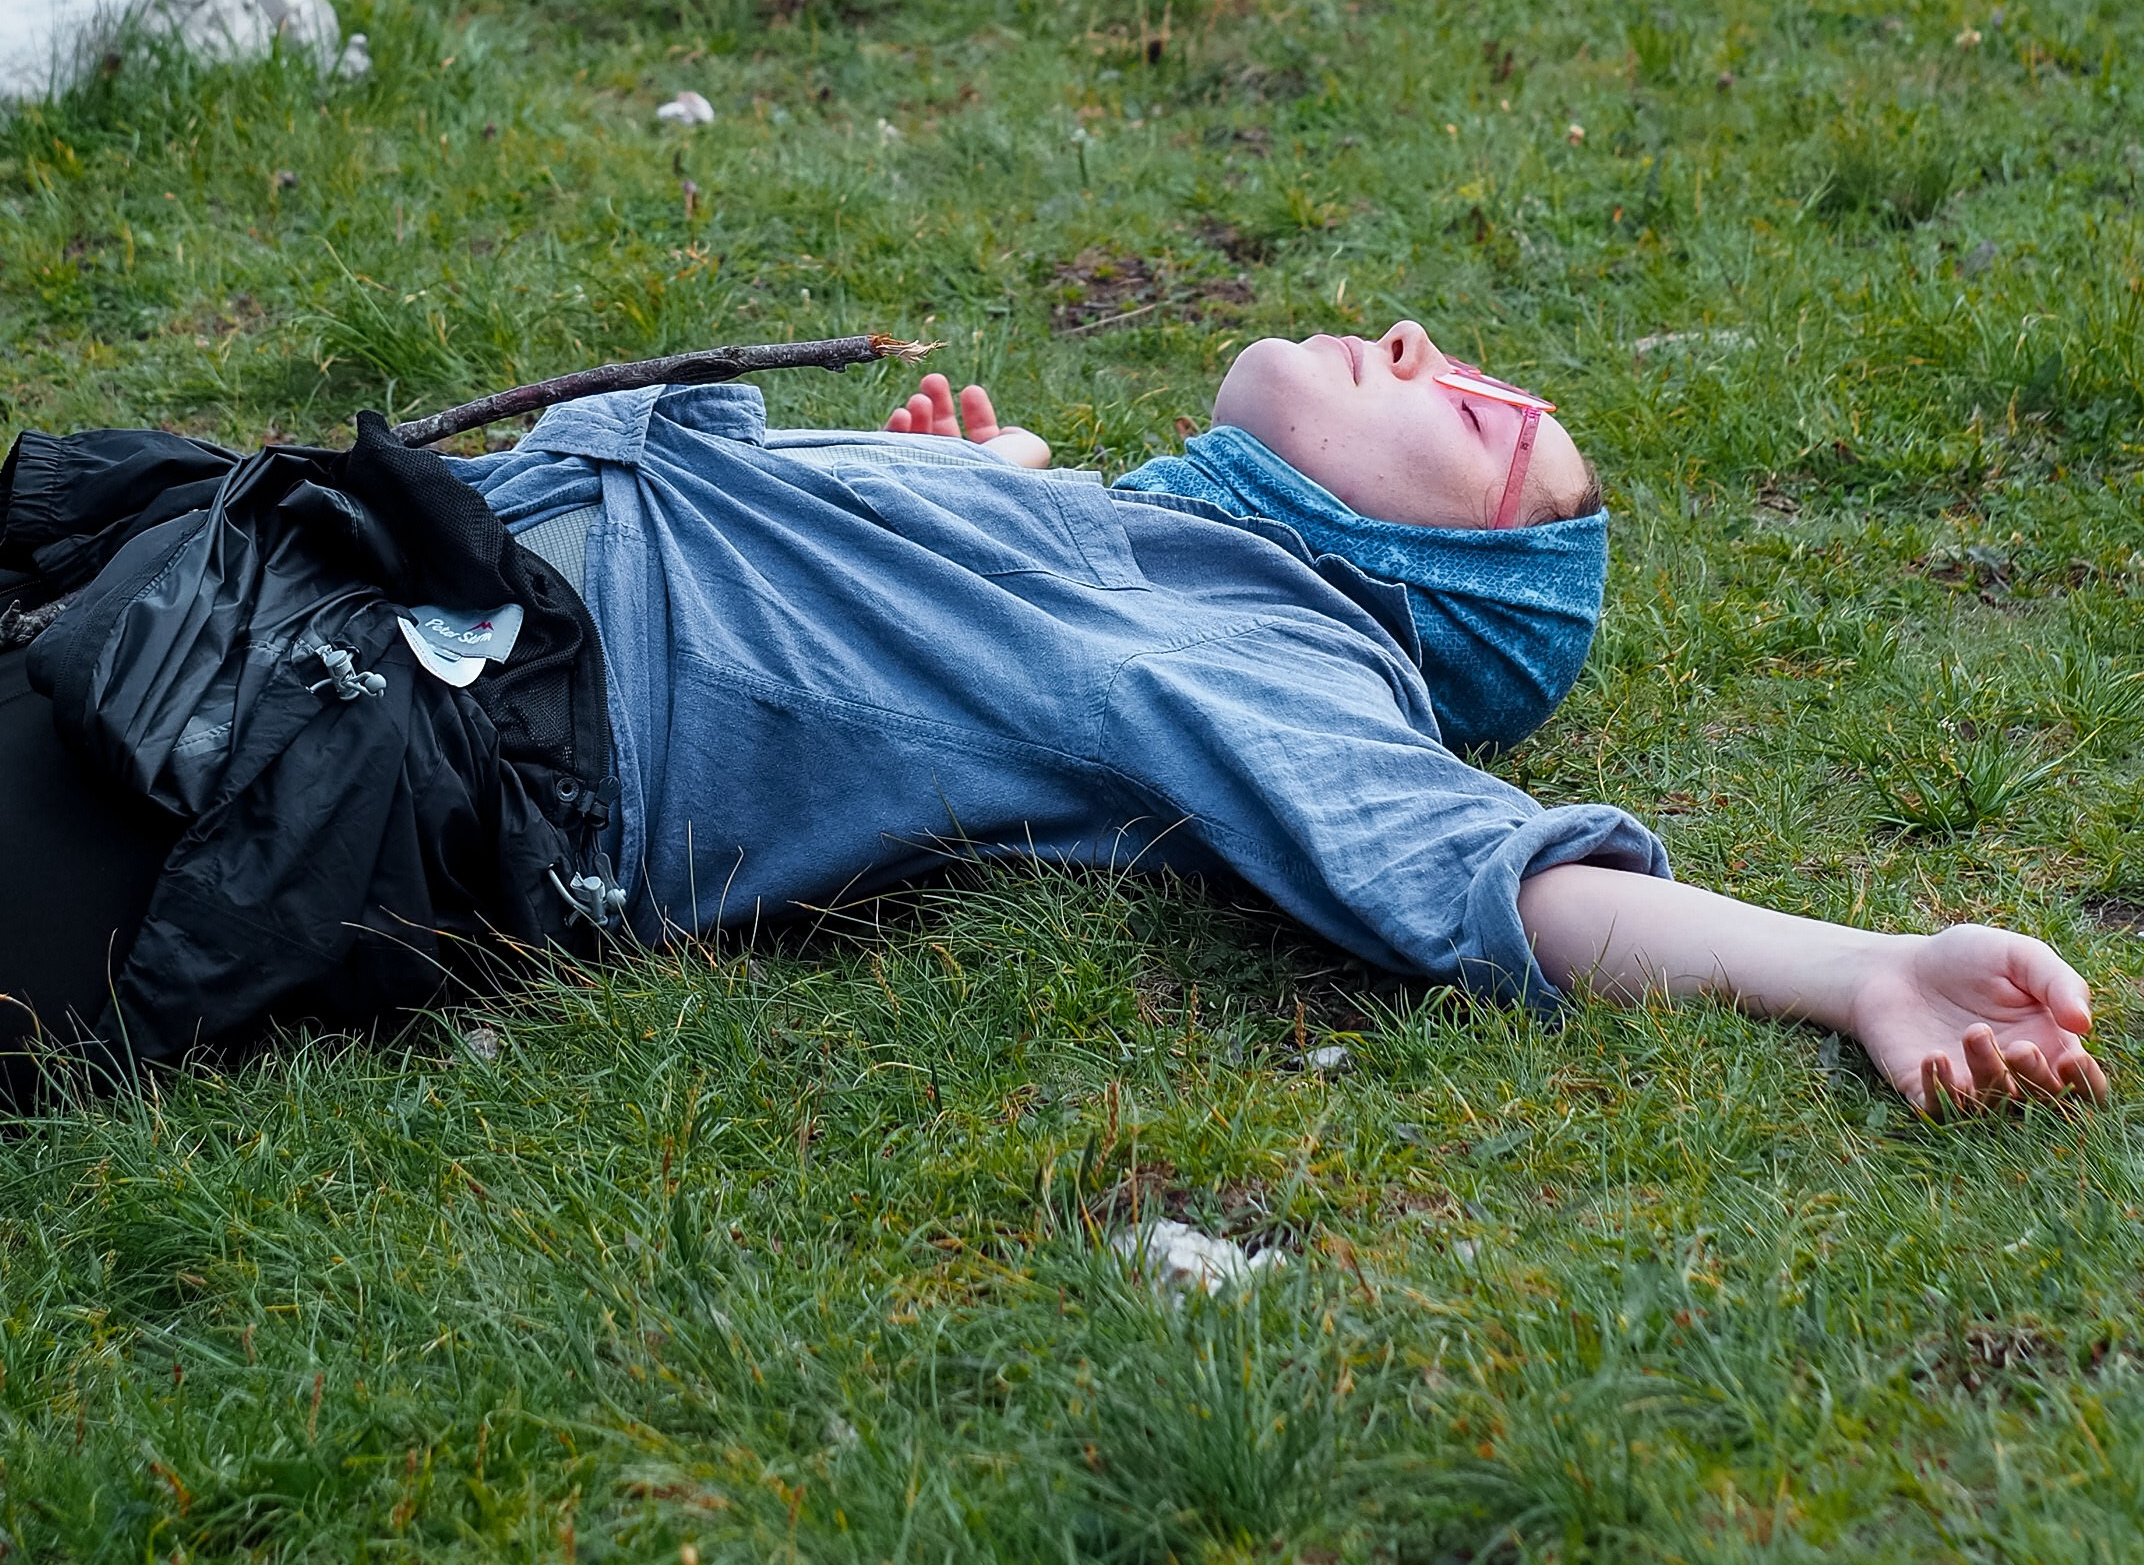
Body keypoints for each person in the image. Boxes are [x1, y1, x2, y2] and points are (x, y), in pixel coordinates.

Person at [446, 320, 2107, 1120]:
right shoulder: (1160, 553)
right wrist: (978, 483)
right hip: (375, 562)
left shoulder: (1272, 656)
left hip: (413, 723)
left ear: (1415, 576)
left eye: (1472, 416)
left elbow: (1488, 865)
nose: (1415, 341)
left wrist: (1865, 967)